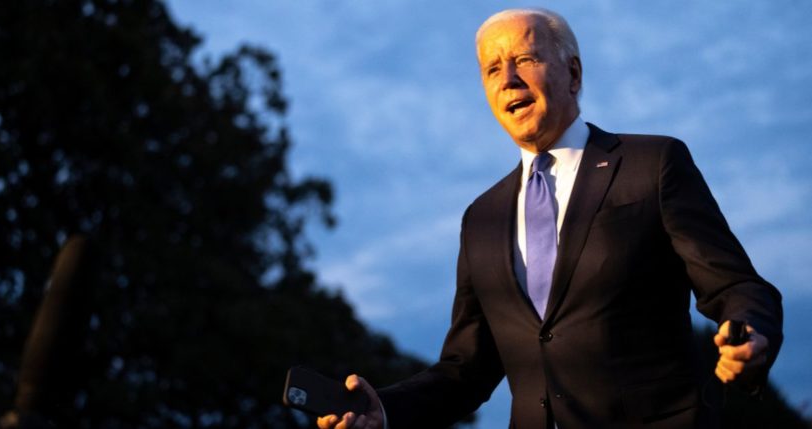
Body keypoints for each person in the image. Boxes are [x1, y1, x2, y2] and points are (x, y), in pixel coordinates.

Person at [318, 8, 783, 429]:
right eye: (493, 69)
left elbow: (736, 287)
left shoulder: (652, 164)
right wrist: (388, 409)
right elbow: (466, 369)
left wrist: (750, 333)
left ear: (573, 73)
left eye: (525, 60)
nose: (508, 80)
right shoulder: (481, 217)